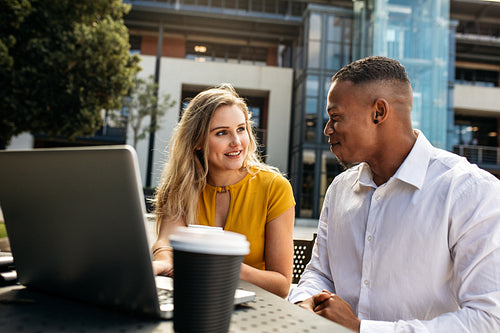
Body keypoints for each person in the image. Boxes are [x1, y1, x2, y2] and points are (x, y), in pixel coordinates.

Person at [288, 56, 500, 332]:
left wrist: (361, 328)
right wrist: (306, 302)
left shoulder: (470, 191)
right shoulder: (340, 189)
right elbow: (319, 273)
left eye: (335, 117)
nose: (327, 130)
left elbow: (487, 319)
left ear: (378, 112)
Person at [152, 83, 295, 298]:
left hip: (257, 310)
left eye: (241, 129)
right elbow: (166, 242)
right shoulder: (180, 187)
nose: (236, 142)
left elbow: (281, 284)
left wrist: (223, 265)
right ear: (197, 141)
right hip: (195, 299)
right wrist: (163, 261)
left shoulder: (275, 188)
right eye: (222, 133)